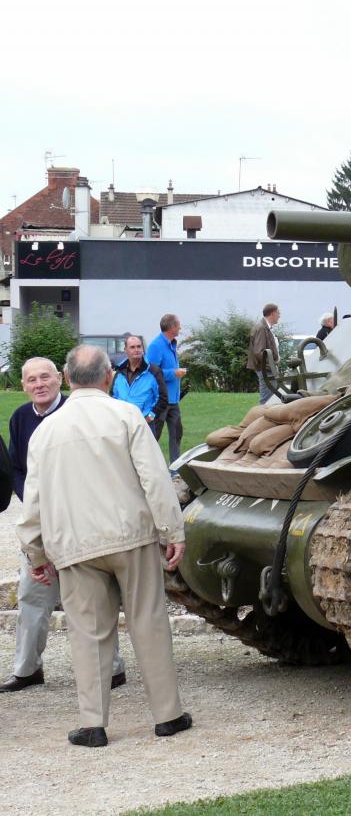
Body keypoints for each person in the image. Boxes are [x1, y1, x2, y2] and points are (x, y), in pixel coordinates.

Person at [17, 346, 191, 747]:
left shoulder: (46, 431)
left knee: (87, 633)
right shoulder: (126, 415)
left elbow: (34, 500)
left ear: (66, 376)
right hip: (131, 536)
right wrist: (172, 530)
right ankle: (167, 715)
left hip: (75, 544)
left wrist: (35, 552)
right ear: (108, 376)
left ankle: (93, 723)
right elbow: (155, 480)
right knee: (148, 622)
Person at [2, 357, 126, 694]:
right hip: (40, 522)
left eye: (45, 377)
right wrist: (32, 504)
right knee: (32, 594)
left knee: (91, 597)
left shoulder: (77, 413)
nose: (39, 384)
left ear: (61, 379)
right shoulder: (20, 418)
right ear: (24, 385)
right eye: (31, 379)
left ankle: (111, 669)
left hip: (79, 522)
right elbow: (17, 468)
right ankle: (27, 669)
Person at [146, 314, 186, 461]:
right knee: (154, 435)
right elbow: (151, 372)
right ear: (172, 327)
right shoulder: (156, 346)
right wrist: (174, 373)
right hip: (160, 400)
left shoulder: (171, 344)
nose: (180, 328)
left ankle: (175, 468)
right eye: (178, 325)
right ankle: (147, 466)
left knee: (177, 433)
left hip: (173, 400)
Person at [111, 334, 169, 427]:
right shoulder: (119, 371)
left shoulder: (154, 371)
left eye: (139, 346)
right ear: (125, 350)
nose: (136, 350)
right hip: (123, 424)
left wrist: (150, 417)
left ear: (143, 348)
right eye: (132, 347)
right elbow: (113, 396)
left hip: (145, 424)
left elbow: (163, 398)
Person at [247, 303, 281, 404]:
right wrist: (270, 366)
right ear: (273, 314)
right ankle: (258, 419)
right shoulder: (261, 328)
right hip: (266, 370)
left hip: (267, 369)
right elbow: (259, 352)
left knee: (270, 398)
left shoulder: (265, 327)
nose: (279, 316)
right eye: (278, 313)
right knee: (266, 400)